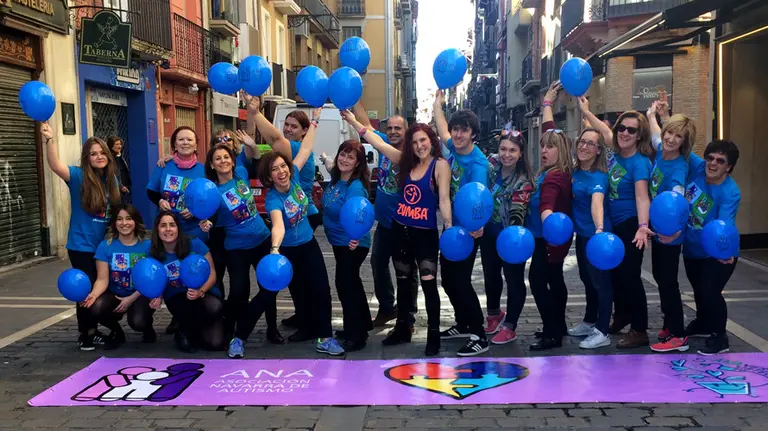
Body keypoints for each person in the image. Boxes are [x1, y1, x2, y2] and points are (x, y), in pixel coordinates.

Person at [347, 113, 452, 356]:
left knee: (428, 285)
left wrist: (448, 227)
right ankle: (402, 328)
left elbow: (444, 200)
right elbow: (379, 143)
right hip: (399, 230)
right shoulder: (404, 162)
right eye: (415, 142)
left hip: (425, 234)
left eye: (423, 140)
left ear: (431, 141)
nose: (419, 146)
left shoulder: (440, 165)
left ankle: (433, 335)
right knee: (403, 283)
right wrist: (353, 122)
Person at [258, 107, 343, 356]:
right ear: (269, 176)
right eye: (275, 170)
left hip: (307, 239)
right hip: (288, 245)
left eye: (283, 167)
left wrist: (315, 122)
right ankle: (306, 325)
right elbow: (278, 225)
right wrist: (275, 249)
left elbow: (301, 148)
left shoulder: (293, 172)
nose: (282, 172)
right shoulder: (273, 198)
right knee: (298, 287)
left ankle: (324, 334)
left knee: (320, 287)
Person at [244, 93, 321, 330]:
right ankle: (303, 316)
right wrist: (251, 117)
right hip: (289, 221)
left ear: (303, 131)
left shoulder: (296, 157)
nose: (287, 130)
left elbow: (276, 139)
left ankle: (308, 319)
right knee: (297, 278)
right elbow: (256, 152)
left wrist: (256, 113)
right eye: (285, 124)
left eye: (293, 126)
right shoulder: (284, 166)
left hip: (304, 217)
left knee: (305, 278)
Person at [41, 122, 121, 350]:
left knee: (105, 288)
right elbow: (55, 165)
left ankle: (102, 325)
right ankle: (87, 333)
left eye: (102, 153)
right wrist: (50, 140)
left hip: (103, 246)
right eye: (93, 154)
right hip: (82, 246)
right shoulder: (77, 176)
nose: (99, 157)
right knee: (84, 289)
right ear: (87, 158)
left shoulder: (112, 180)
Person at [198, 144, 282, 359]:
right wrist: (206, 224)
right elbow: (210, 218)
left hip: (262, 239)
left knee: (269, 285)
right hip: (236, 248)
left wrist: (252, 137)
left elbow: (253, 152)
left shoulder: (242, 173)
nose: (223, 161)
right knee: (238, 291)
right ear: (211, 164)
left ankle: (272, 329)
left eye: (226, 157)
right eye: (218, 158)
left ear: (233, 161)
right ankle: (232, 330)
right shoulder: (212, 192)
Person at [433, 90, 491, 356]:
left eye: (463, 131)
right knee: (448, 280)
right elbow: (441, 127)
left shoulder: (478, 163)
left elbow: (479, 198)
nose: (457, 135)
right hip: (451, 227)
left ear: (473, 134)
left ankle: (479, 334)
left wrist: (476, 225)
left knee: (461, 281)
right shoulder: (453, 150)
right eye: (456, 130)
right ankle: (463, 322)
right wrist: (437, 103)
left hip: (468, 231)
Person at [351, 102, 419, 328]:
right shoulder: (382, 141)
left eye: (397, 128)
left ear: (406, 131)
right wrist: (355, 95)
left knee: (407, 269)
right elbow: (364, 123)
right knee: (378, 262)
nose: (392, 132)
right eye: (389, 128)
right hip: (383, 223)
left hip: (405, 224)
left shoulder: (410, 152)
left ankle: (408, 312)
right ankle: (387, 307)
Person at [525, 81, 573, 351]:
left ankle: (552, 334)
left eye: (549, 148)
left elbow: (547, 205)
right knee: (555, 280)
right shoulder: (559, 169)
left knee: (538, 281)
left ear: (561, 150)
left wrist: (547, 230)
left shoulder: (554, 178)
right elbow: (549, 132)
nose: (543, 151)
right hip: (553, 237)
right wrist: (547, 104)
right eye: (542, 147)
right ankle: (558, 326)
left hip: (549, 238)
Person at [646, 106, 697, 353]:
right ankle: (669, 323)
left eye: (678, 137)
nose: (670, 139)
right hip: (659, 229)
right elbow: (657, 133)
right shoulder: (660, 150)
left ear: (684, 143)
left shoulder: (678, 168)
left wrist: (675, 230)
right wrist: (651, 116)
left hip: (670, 232)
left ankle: (678, 335)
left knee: (667, 282)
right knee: (659, 276)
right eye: (670, 133)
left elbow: (679, 199)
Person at [683, 140, 740, 355]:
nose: (713, 163)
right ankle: (703, 323)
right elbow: (677, 143)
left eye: (720, 161)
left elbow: (725, 225)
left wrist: (723, 252)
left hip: (719, 251)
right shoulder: (698, 167)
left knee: (710, 291)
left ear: (729, 167)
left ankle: (720, 337)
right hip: (692, 247)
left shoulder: (730, 192)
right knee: (699, 290)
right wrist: (661, 116)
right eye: (710, 158)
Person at [604, 109, 655, 348]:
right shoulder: (615, 154)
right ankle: (622, 315)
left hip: (631, 224)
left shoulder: (640, 162)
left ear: (639, 135)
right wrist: (584, 110)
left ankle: (639, 329)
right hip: (614, 223)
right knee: (615, 274)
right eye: (621, 128)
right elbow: (603, 131)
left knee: (630, 277)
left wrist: (643, 227)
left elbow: (643, 197)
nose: (624, 133)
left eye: (631, 130)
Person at [481, 130, 534, 345]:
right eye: (503, 149)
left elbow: (517, 216)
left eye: (512, 150)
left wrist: (510, 241)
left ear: (521, 153)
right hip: (489, 234)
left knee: (513, 280)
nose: (507, 154)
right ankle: (494, 315)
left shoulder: (523, 182)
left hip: (512, 239)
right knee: (490, 276)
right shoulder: (491, 167)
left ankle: (511, 325)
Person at [82, 205, 159, 350]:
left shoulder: (148, 246)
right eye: (119, 219)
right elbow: (102, 279)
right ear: (114, 223)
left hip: (140, 294)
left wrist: (130, 299)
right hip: (115, 294)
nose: (124, 223)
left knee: (138, 322)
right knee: (95, 306)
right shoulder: (106, 246)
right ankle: (116, 330)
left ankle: (147, 326)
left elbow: (151, 280)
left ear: (136, 221)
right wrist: (93, 295)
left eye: (129, 219)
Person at [321, 139, 374, 351]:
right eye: (342, 154)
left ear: (357, 163)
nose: (344, 159)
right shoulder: (337, 179)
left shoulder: (355, 187)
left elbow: (359, 213)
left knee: (345, 285)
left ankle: (356, 335)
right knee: (352, 283)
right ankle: (360, 325)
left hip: (352, 243)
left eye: (350, 157)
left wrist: (355, 235)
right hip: (339, 242)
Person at [149, 211, 225, 353]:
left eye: (172, 225)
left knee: (215, 343)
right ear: (157, 229)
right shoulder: (153, 253)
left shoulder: (195, 244)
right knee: (184, 309)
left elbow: (212, 273)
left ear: (178, 228)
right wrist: (157, 295)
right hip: (177, 297)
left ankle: (193, 328)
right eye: (163, 225)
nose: (168, 229)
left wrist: (200, 291)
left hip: (204, 292)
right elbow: (153, 279)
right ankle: (183, 331)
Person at [567, 118, 613, 349]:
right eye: (582, 142)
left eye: (591, 144)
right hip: (583, 235)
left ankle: (602, 330)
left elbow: (597, 203)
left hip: (598, 237)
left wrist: (599, 229)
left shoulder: (599, 177)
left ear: (598, 150)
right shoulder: (575, 170)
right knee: (586, 279)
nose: (585, 147)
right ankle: (589, 320)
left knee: (601, 283)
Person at [147, 126, 208, 242]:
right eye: (181, 140)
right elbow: (151, 191)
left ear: (196, 145)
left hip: (194, 231)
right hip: (166, 230)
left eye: (189, 140)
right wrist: (160, 201)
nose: (185, 143)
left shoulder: (203, 171)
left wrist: (195, 210)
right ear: (175, 145)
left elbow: (209, 200)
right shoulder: (163, 166)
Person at [107, 136, 131, 204]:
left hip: (123, 189)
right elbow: (111, 174)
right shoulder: (110, 159)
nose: (119, 146)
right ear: (111, 146)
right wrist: (121, 186)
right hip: (115, 189)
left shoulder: (119, 156)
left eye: (120, 144)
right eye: (116, 144)